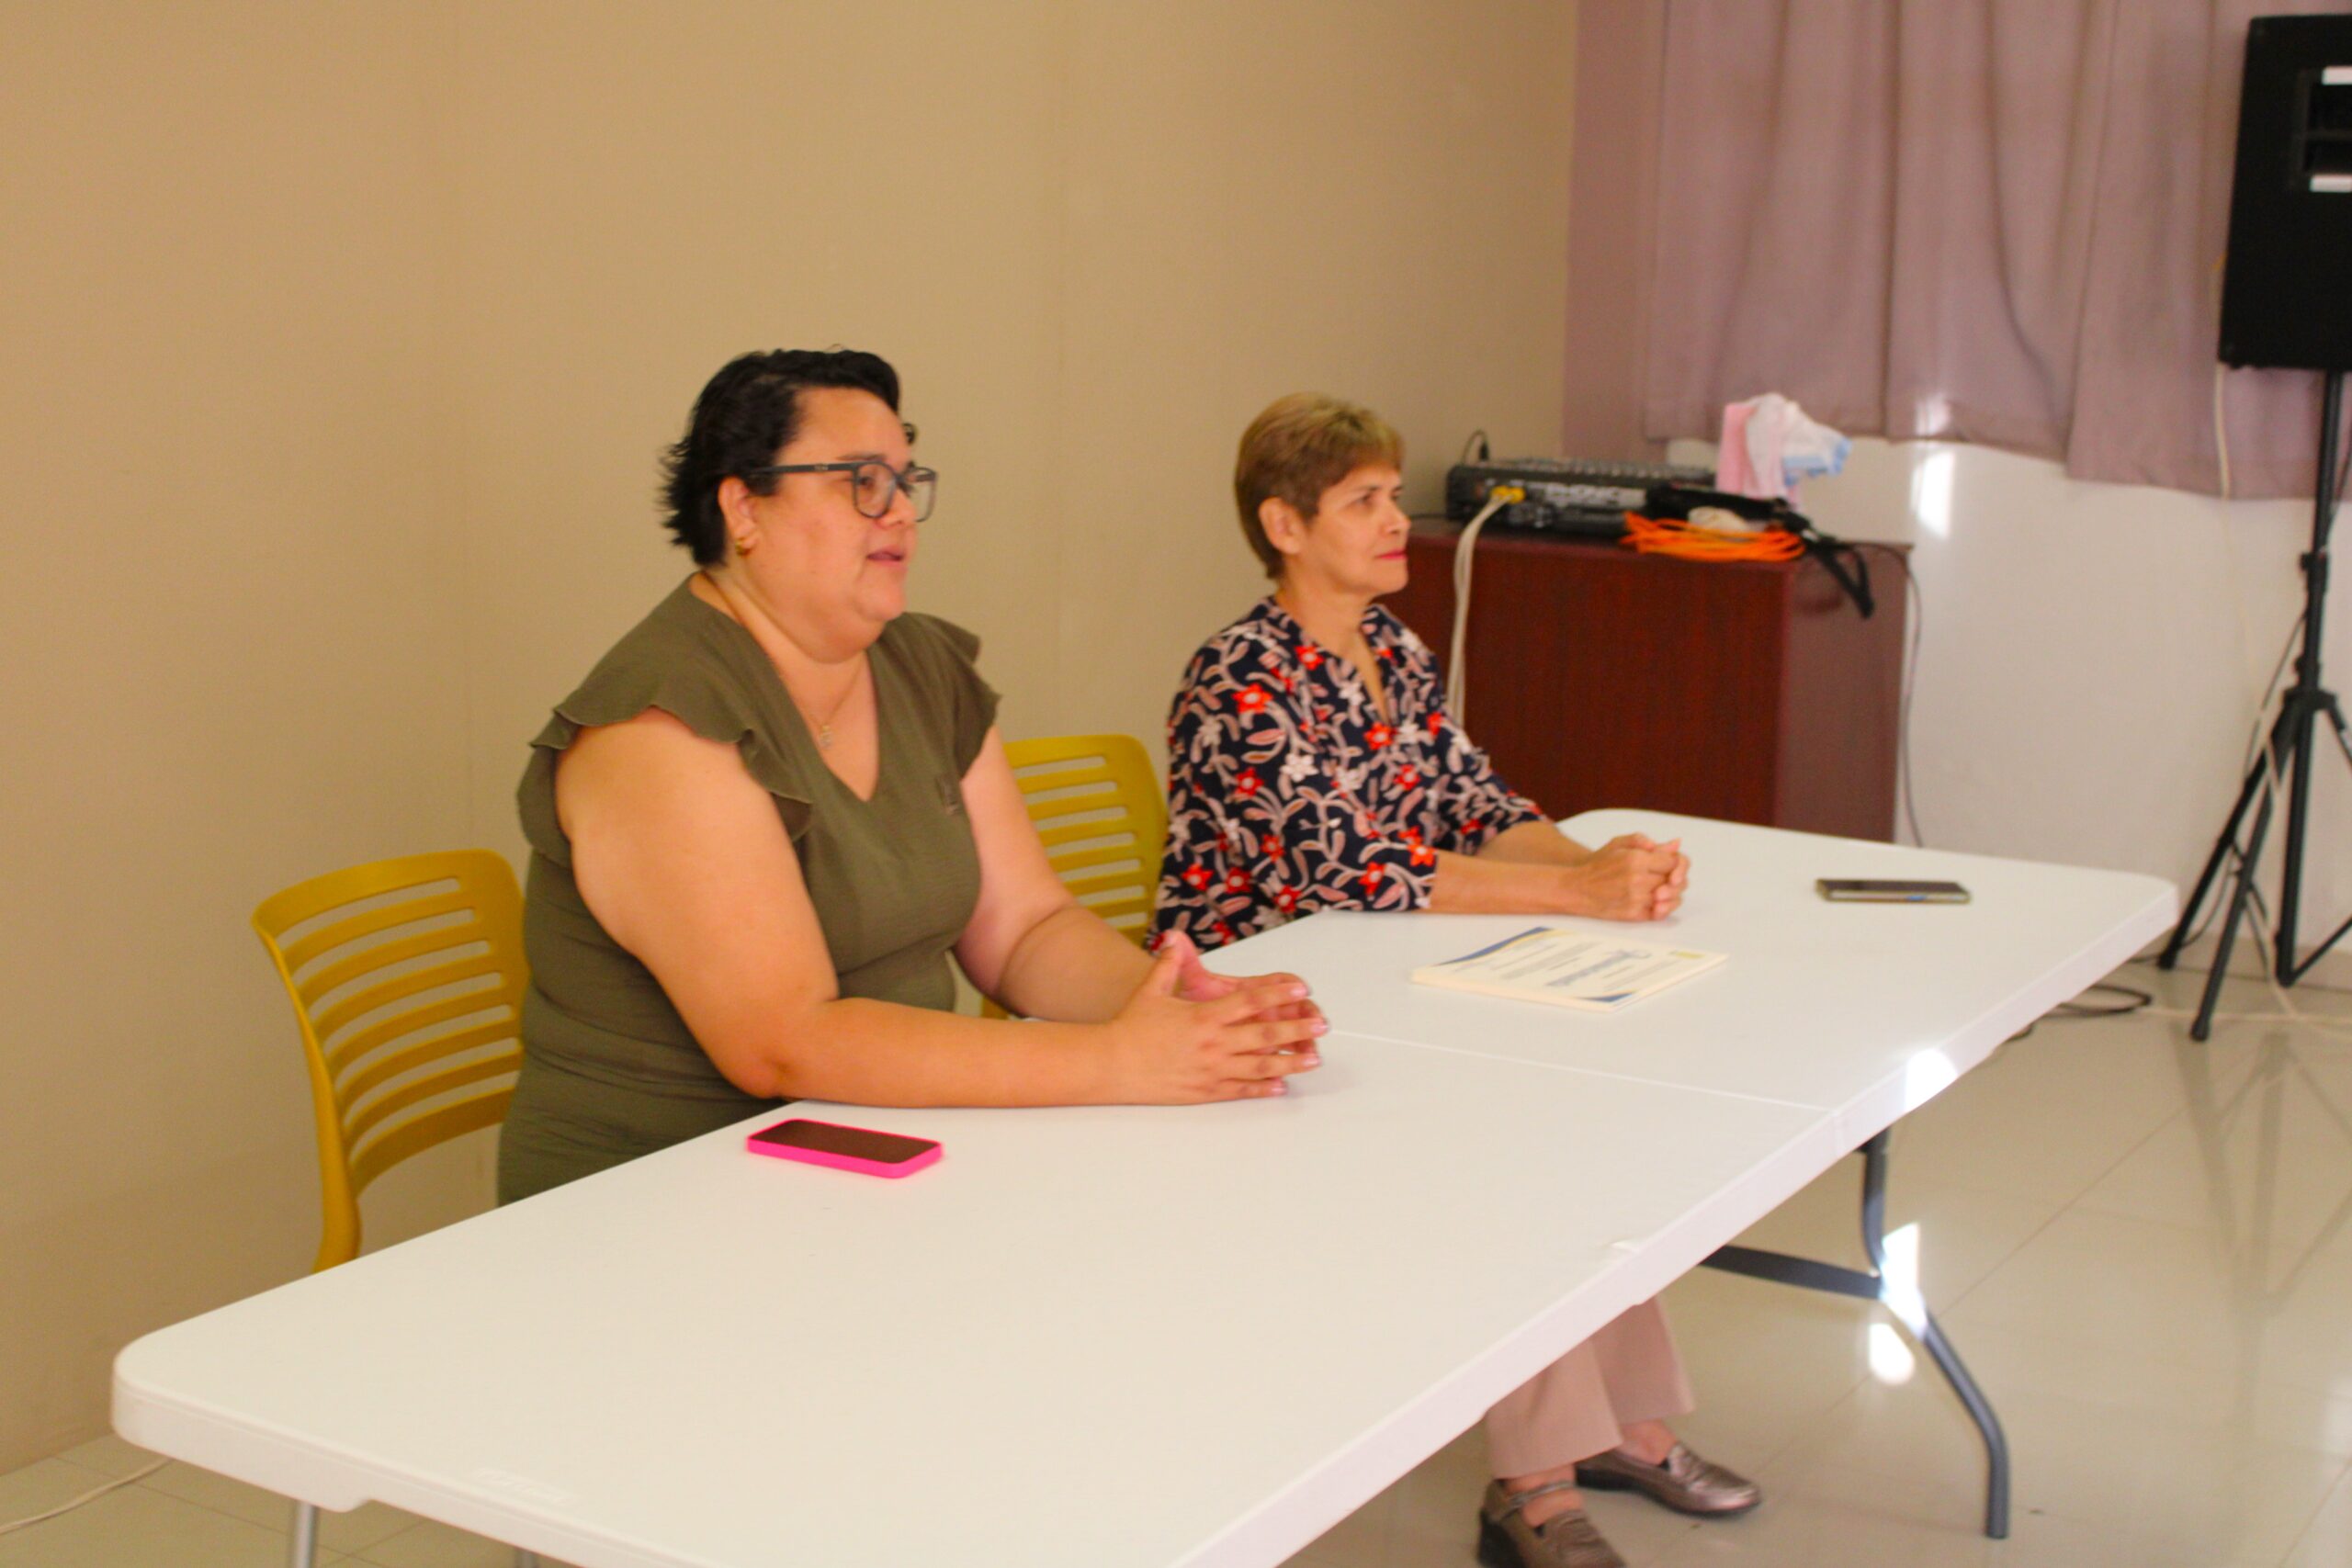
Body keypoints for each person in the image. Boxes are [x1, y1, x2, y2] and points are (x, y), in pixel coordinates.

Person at [498, 349, 1324, 1205]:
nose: (898, 512)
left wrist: (1175, 1005)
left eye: (904, 480)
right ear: (744, 508)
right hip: (651, 1202)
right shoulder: (659, 723)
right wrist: (1118, 1059)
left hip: (870, 1159)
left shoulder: (920, 664)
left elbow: (1025, 929)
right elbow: (783, 1041)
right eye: (860, 482)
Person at [1154, 393, 1755, 1568]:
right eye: (1362, 502)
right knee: (1509, 1151)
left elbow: (1472, 809)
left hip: (1388, 984)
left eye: (1392, 496)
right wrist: (1577, 897)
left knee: (1581, 1124)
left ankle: (1622, 1429)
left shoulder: (1391, 651)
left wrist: (1599, 867)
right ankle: (1535, 1485)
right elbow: (1348, 869)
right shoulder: (1239, 676)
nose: (1395, 521)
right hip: (1264, 1018)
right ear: (1283, 525)